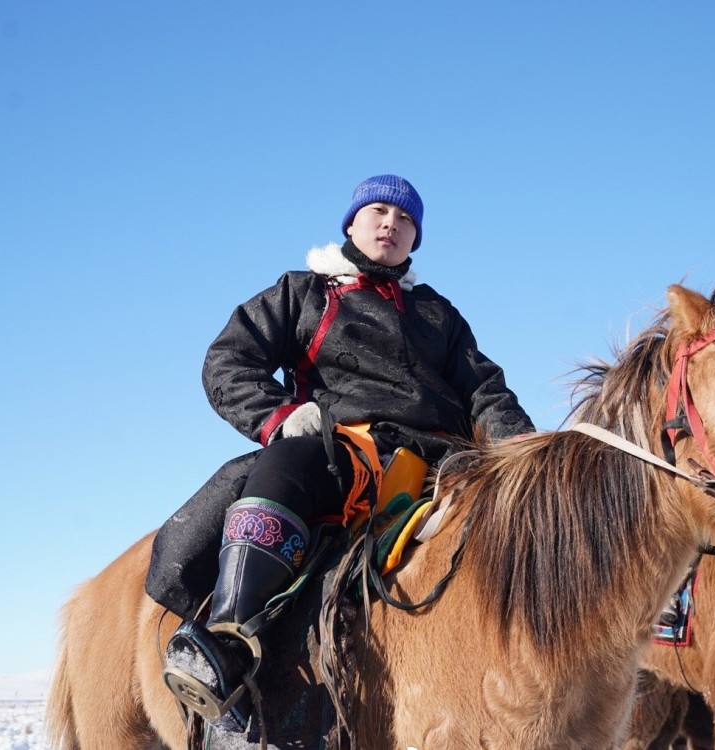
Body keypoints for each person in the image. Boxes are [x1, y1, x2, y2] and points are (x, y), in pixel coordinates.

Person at [148, 174, 534, 732]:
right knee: (290, 462)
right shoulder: (304, 292)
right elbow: (229, 360)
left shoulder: (438, 314)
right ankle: (228, 643)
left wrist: (521, 445)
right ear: (351, 223)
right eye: (378, 211)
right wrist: (278, 416)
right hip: (345, 449)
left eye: (405, 220)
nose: (391, 224)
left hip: (445, 463)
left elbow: (484, 391)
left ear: (414, 240)